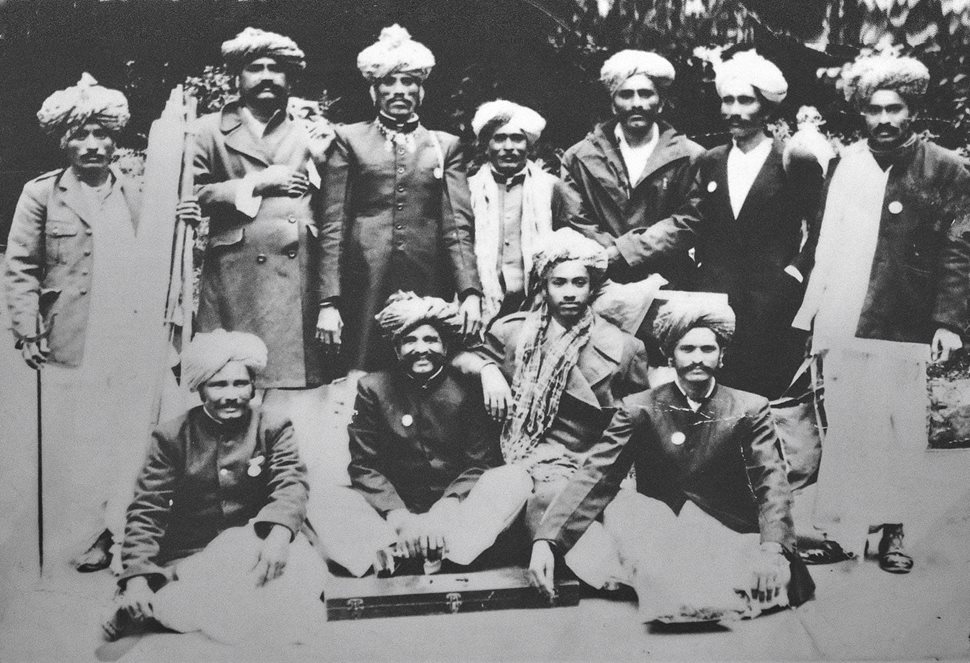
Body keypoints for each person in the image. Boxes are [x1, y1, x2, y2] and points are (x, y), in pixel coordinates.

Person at [3, 74, 196, 573]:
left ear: (115, 140)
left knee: (132, 432)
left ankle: (126, 529)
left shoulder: (137, 193)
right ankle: (88, 533)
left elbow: (164, 251)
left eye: (101, 135)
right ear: (64, 141)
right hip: (76, 335)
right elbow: (21, 266)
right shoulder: (43, 194)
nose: (92, 145)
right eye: (80, 136)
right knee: (83, 439)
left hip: (131, 335)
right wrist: (27, 329)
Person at [792, 52, 970, 573]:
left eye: (896, 108)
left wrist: (949, 322)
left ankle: (893, 531)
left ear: (912, 111)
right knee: (847, 421)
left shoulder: (948, 167)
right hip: (845, 313)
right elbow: (825, 239)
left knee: (899, 424)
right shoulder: (845, 164)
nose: (885, 119)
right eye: (875, 109)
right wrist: (814, 311)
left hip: (904, 314)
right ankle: (847, 529)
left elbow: (961, 249)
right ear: (861, 114)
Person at [529, 299, 814, 622]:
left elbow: (771, 482)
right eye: (687, 349)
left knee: (769, 579)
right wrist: (546, 541)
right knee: (623, 515)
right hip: (660, 533)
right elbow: (597, 475)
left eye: (708, 349)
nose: (697, 359)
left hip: (730, 532)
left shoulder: (750, 408)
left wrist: (772, 549)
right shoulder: (639, 407)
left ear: (722, 356)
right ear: (669, 354)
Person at [609, 51, 824, 399]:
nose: (735, 110)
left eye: (745, 101)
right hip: (717, 297)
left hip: (772, 299)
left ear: (766, 108)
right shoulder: (710, 160)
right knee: (718, 390)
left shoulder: (791, 159)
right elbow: (696, 222)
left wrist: (795, 273)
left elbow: (820, 227)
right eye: (728, 101)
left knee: (766, 391)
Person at [452, 228, 650, 589]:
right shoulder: (513, 334)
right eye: (559, 282)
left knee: (565, 513)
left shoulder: (624, 348)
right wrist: (489, 370)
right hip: (522, 460)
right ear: (543, 287)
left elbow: (636, 427)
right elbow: (464, 356)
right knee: (497, 488)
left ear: (593, 288)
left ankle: (627, 577)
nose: (570, 292)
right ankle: (440, 560)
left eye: (579, 282)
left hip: (584, 469)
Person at [102, 330, 325, 644]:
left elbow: (291, 484)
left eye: (240, 383)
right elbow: (147, 510)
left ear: (252, 386)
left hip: (259, 544)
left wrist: (278, 536)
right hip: (193, 556)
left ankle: (160, 608)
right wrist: (137, 579)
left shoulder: (273, 426)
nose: (231, 395)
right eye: (218, 384)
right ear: (200, 389)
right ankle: (147, 603)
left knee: (298, 582)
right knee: (199, 601)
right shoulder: (171, 436)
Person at [309, 293, 524, 577]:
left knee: (513, 479)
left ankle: (444, 553)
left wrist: (444, 512)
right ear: (396, 348)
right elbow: (364, 466)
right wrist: (399, 518)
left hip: (454, 512)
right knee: (320, 496)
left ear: (445, 346)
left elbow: (480, 463)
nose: (421, 349)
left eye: (430, 340)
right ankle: (397, 550)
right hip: (395, 514)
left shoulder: (467, 388)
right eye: (410, 340)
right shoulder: (372, 388)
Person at [321, 24, 482, 372]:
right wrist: (328, 302)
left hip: (427, 277)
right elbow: (333, 225)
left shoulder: (444, 146)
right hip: (362, 279)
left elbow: (457, 225)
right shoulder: (348, 140)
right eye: (388, 82)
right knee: (360, 370)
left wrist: (469, 293)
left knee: (423, 364)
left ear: (421, 91)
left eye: (408, 82)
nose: (399, 91)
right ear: (374, 91)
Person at [192, 27, 337, 389]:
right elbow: (189, 196)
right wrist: (256, 184)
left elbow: (336, 204)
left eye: (277, 68)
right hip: (234, 276)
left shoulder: (312, 132)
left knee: (295, 390)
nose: (268, 76)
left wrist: (326, 162)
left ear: (290, 78)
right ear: (236, 77)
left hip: (298, 276)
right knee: (233, 382)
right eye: (256, 67)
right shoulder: (208, 131)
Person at [561, 49, 704, 291]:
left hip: (670, 283)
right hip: (601, 282)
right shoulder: (578, 156)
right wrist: (609, 255)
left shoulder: (690, 156)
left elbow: (689, 219)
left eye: (646, 94)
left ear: (660, 102)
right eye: (626, 95)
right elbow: (575, 218)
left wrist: (626, 251)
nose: (636, 103)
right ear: (613, 103)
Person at [468, 99, 585, 324]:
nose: (509, 147)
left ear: (529, 145)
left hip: (537, 301)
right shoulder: (469, 188)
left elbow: (571, 239)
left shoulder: (551, 187)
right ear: (486, 145)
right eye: (500, 138)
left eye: (517, 138)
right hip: (484, 302)